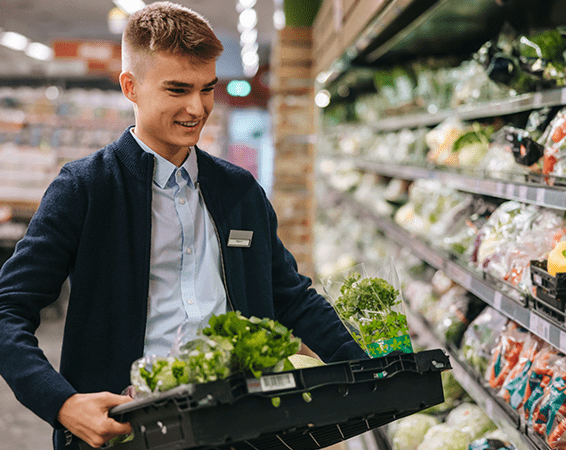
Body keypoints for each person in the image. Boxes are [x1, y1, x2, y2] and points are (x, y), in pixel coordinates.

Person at [0, 2, 367, 449]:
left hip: (241, 426)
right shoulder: (86, 188)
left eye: (207, 89)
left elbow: (291, 297)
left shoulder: (239, 191)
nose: (197, 108)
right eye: (177, 90)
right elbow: (7, 309)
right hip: (127, 431)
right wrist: (62, 404)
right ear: (130, 87)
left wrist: (371, 368)